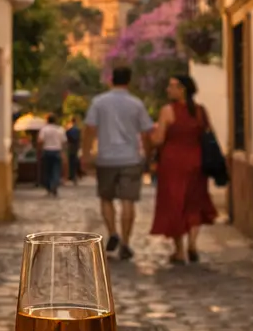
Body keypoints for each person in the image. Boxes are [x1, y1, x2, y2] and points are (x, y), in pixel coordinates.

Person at [83, 68, 155, 260]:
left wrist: (86, 154)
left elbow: (89, 128)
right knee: (128, 201)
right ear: (129, 81)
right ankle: (125, 242)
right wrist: (147, 155)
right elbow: (147, 132)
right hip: (130, 158)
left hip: (106, 158)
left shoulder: (99, 102)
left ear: (111, 80)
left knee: (106, 198)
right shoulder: (136, 104)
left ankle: (112, 232)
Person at [150, 74, 219, 264]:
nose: (168, 89)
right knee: (194, 202)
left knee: (175, 204)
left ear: (182, 89)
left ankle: (179, 250)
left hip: (172, 163)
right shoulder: (200, 111)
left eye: (172, 86)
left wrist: (150, 136)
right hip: (196, 162)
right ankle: (193, 244)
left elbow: (159, 139)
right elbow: (208, 133)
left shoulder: (167, 111)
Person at [36, 114, 67, 197]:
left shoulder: (44, 129)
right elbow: (64, 142)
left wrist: (39, 149)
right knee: (56, 170)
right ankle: (55, 185)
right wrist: (63, 152)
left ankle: (49, 187)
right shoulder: (60, 129)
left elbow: (40, 141)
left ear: (47, 120)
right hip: (57, 151)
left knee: (47, 171)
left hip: (47, 151)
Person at [64, 118, 82, 184]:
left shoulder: (69, 130)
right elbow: (79, 138)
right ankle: (75, 175)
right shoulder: (78, 130)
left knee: (71, 161)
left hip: (70, 146)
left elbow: (66, 137)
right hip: (76, 147)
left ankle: (71, 175)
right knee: (75, 160)